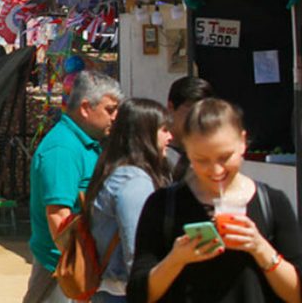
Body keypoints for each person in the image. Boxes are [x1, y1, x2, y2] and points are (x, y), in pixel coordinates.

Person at [127, 99, 302, 303]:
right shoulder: (163, 205)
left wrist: (260, 248)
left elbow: (296, 294)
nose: (216, 170)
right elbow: (138, 295)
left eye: (225, 157)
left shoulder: (271, 202)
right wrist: (176, 259)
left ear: (242, 142)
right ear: (187, 151)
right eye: (201, 160)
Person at [24, 71, 122, 303]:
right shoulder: (63, 149)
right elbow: (59, 217)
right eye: (110, 110)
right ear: (86, 108)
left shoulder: (84, 144)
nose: (115, 117)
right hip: (63, 270)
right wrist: (80, 268)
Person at [86, 99, 173, 302]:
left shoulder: (116, 171)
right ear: (145, 134)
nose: (170, 137)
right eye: (164, 130)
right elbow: (137, 250)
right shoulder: (133, 181)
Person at [165, 77, 214, 180]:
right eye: (191, 111)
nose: (197, 118)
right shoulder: (159, 153)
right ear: (171, 107)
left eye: (203, 112)